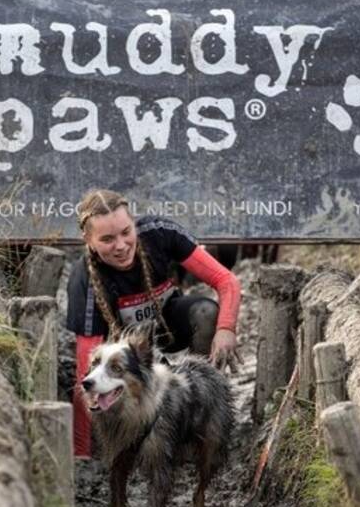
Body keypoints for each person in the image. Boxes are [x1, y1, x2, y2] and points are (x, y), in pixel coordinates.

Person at [67, 189, 242, 457]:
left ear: (134, 223)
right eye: (107, 239)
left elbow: (226, 281)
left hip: (169, 324)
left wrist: (226, 328)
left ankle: (202, 418)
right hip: (129, 352)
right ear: (89, 241)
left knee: (208, 313)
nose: (121, 245)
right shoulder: (85, 281)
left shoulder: (159, 233)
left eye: (126, 232)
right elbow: (85, 372)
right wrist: (82, 452)